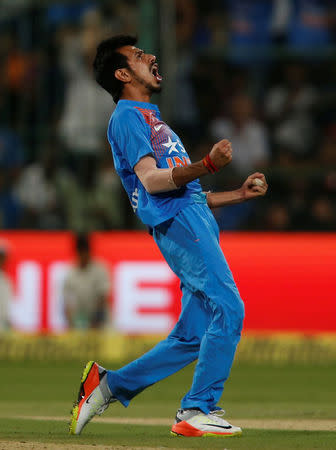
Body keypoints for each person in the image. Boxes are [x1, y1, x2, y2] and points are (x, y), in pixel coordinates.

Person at [69, 35, 268, 438]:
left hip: (190, 219)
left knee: (192, 336)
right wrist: (208, 164)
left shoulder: (150, 116)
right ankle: (197, 408)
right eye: (140, 56)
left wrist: (237, 194)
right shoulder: (127, 117)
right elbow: (152, 180)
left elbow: (187, 193)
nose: (152, 56)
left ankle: (107, 386)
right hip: (181, 226)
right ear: (123, 74)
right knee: (229, 307)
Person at [63, 233, 110, 329]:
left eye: (85, 252)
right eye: (81, 253)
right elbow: (67, 302)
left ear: (89, 252)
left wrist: (95, 322)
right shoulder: (71, 273)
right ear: (77, 253)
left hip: (100, 324)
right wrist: (71, 323)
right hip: (79, 323)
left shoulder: (100, 270)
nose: (83, 256)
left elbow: (103, 298)